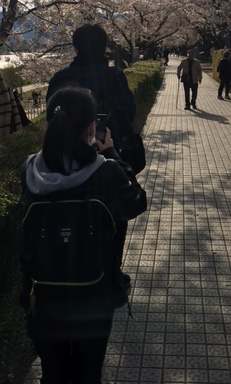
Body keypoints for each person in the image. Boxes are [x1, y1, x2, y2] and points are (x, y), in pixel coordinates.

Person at [20, 85, 147, 384]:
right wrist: (112, 153)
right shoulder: (105, 171)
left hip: (45, 294)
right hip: (94, 293)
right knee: (88, 373)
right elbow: (136, 202)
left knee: (53, 374)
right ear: (92, 127)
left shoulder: (30, 168)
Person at [46, 23, 137, 287]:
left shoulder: (60, 78)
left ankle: (69, 270)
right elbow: (129, 114)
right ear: (104, 46)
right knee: (114, 215)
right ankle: (110, 271)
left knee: (67, 216)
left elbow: (50, 119)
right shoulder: (114, 76)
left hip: (64, 159)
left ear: (75, 46)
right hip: (106, 155)